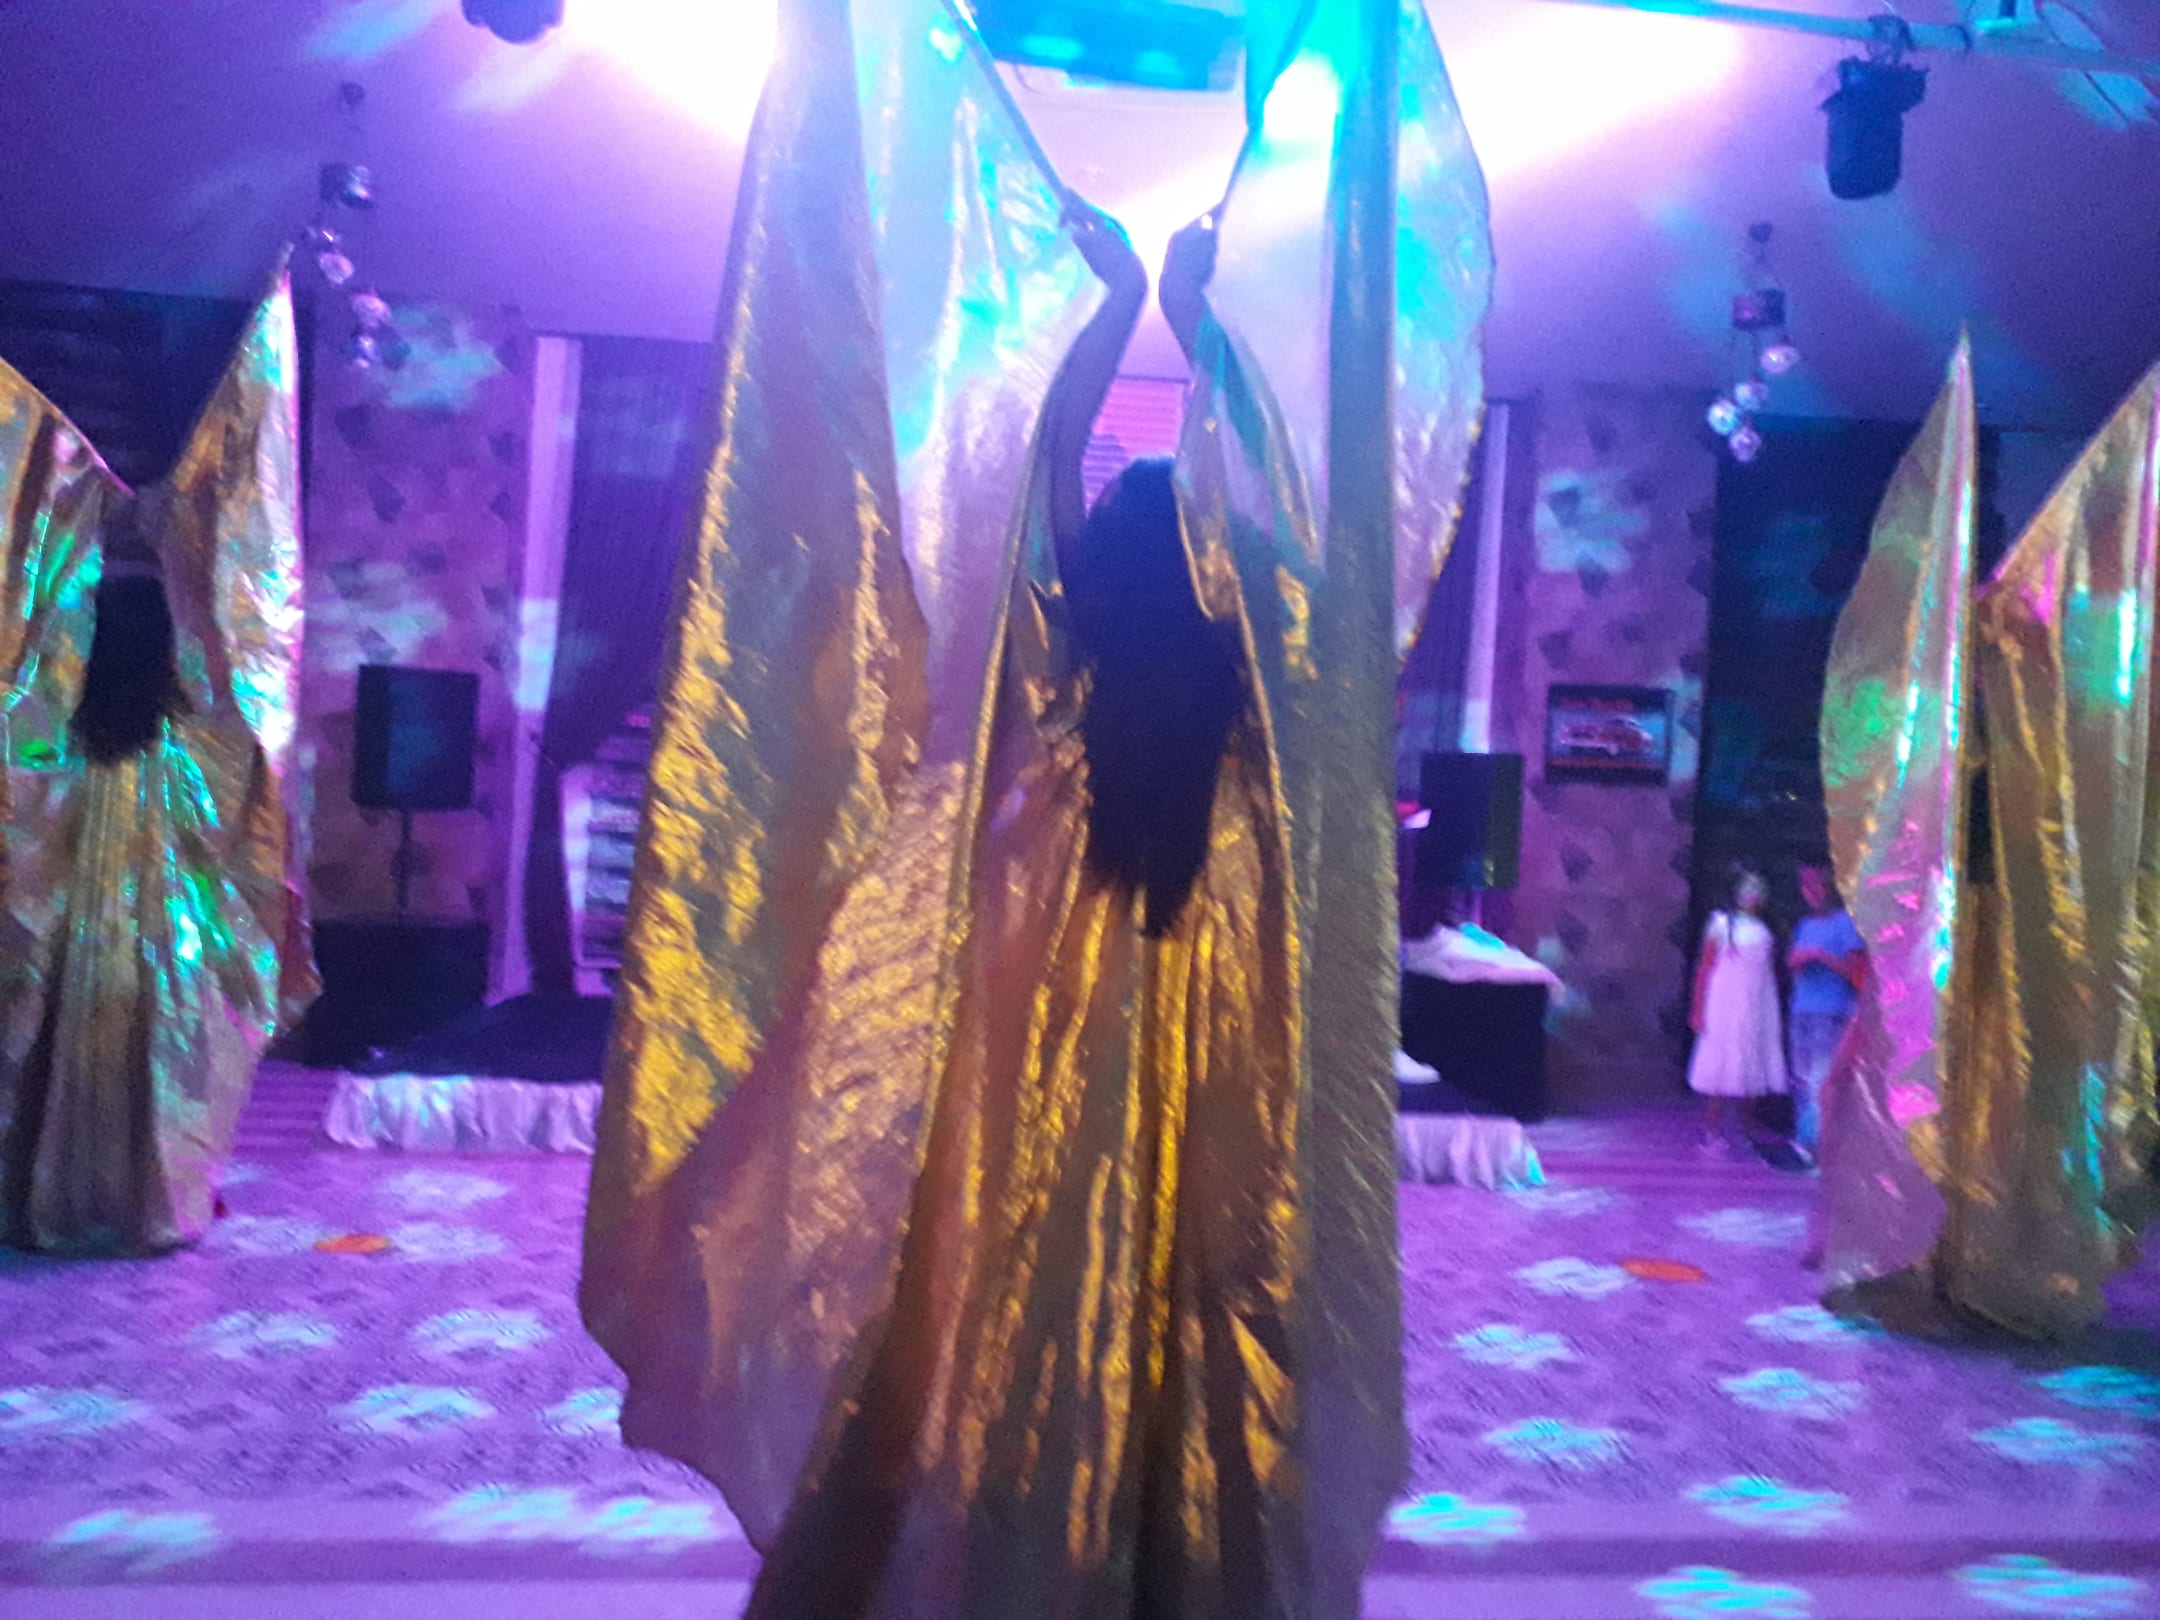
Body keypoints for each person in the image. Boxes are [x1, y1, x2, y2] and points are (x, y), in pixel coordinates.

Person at [0, 278, 312, 1255]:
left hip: (70, 911)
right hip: (153, 925)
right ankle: (148, 1191)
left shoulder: (58, 734)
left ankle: (44, 1185)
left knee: (55, 1024)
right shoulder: (182, 738)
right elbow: (232, 684)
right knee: (155, 1037)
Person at [1688, 866, 1788, 1153]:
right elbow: (1705, 967)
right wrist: (1698, 1007)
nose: (1752, 896)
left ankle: (1747, 1128)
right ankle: (1710, 1130)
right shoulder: (1721, 924)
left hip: (1757, 1003)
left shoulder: (1767, 929)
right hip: (1724, 1004)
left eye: (1757, 891)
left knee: (1753, 1064)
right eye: (1747, 889)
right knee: (1721, 1065)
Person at [1786, 863, 1864, 1162]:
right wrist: (1797, 961)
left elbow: (1857, 973)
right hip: (1802, 1009)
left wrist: (1821, 956)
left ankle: (1820, 1147)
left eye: (1816, 884)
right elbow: (1792, 966)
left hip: (1831, 1011)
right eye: (1805, 886)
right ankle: (1803, 1141)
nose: (1811, 892)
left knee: (1821, 1079)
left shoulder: (1845, 923)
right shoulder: (1805, 925)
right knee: (1801, 1077)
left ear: (1830, 886)